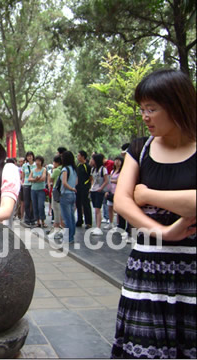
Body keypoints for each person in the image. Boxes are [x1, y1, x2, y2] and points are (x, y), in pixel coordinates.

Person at [111, 69, 196, 358]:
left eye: (152, 108)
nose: (145, 116)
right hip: (148, 268)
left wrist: (147, 195)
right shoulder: (139, 149)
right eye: (142, 109)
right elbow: (121, 202)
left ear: (177, 105)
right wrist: (163, 232)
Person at [59, 151, 78, 243]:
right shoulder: (74, 169)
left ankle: (68, 237)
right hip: (72, 194)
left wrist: (70, 188)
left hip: (65, 194)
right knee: (71, 216)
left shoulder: (65, 169)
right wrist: (73, 188)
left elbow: (64, 182)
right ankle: (72, 236)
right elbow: (76, 182)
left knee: (66, 217)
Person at [89, 153, 109, 236]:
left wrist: (101, 188)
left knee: (98, 209)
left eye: (93, 159)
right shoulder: (93, 169)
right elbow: (92, 179)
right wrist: (91, 187)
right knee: (96, 209)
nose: (91, 161)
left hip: (99, 191)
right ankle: (97, 227)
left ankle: (98, 227)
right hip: (94, 190)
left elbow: (106, 180)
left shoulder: (103, 169)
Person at [103, 156, 123, 230]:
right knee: (109, 207)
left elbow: (119, 181)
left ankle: (118, 224)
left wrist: (111, 181)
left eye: (119, 160)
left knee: (117, 209)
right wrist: (107, 191)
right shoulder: (112, 171)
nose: (117, 162)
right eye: (116, 160)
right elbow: (109, 181)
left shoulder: (122, 171)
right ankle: (111, 223)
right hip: (111, 191)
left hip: (117, 192)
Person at [28, 155, 47, 228]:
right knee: (35, 206)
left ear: (42, 162)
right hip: (33, 190)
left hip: (41, 190)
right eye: (36, 161)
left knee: (41, 205)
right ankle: (37, 221)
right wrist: (36, 179)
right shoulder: (33, 170)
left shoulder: (44, 169)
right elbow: (29, 179)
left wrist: (34, 180)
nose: (37, 162)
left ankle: (43, 221)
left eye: (39, 161)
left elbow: (43, 178)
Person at [75, 150, 92, 229]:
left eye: (78, 155)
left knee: (86, 205)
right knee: (78, 204)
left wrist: (89, 187)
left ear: (82, 156)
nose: (77, 157)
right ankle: (79, 220)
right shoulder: (78, 166)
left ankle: (88, 222)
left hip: (85, 188)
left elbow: (91, 178)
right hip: (78, 188)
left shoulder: (87, 166)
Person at [48, 155, 64, 238]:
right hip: (64, 192)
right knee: (61, 211)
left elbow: (51, 179)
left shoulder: (57, 170)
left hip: (56, 192)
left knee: (56, 210)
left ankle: (56, 229)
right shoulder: (65, 169)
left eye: (54, 162)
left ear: (57, 162)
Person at [21, 151, 36, 227]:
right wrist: (22, 183)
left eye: (31, 156)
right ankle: (27, 219)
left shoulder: (36, 165)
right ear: (26, 157)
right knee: (26, 202)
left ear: (33, 156)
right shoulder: (24, 166)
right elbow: (23, 176)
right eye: (28, 156)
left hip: (34, 185)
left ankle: (33, 219)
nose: (30, 157)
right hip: (26, 185)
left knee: (33, 202)